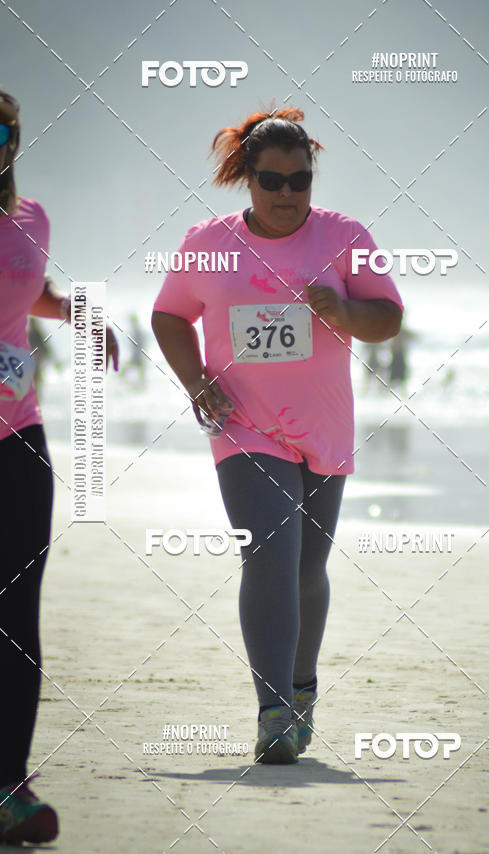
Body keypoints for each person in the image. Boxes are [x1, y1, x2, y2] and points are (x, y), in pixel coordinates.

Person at [152, 107, 403, 765]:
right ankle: (274, 713)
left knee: (305, 569)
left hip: (324, 428)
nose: (288, 194)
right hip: (244, 427)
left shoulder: (344, 236)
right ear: (247, 180)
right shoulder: (207, 242)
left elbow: (388, 319)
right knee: (267, 554)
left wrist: (346, 311)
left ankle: (301, 691)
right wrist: (195, 380)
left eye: (301, 180)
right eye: (273, 181)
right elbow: (170, 316)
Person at [0, 89, 119, 843]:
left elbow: (25, 291)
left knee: (15, 618)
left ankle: (10, 786)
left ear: (13, 139)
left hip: (19, 437)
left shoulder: (30, 219)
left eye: (1, 128)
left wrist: (78, 312)